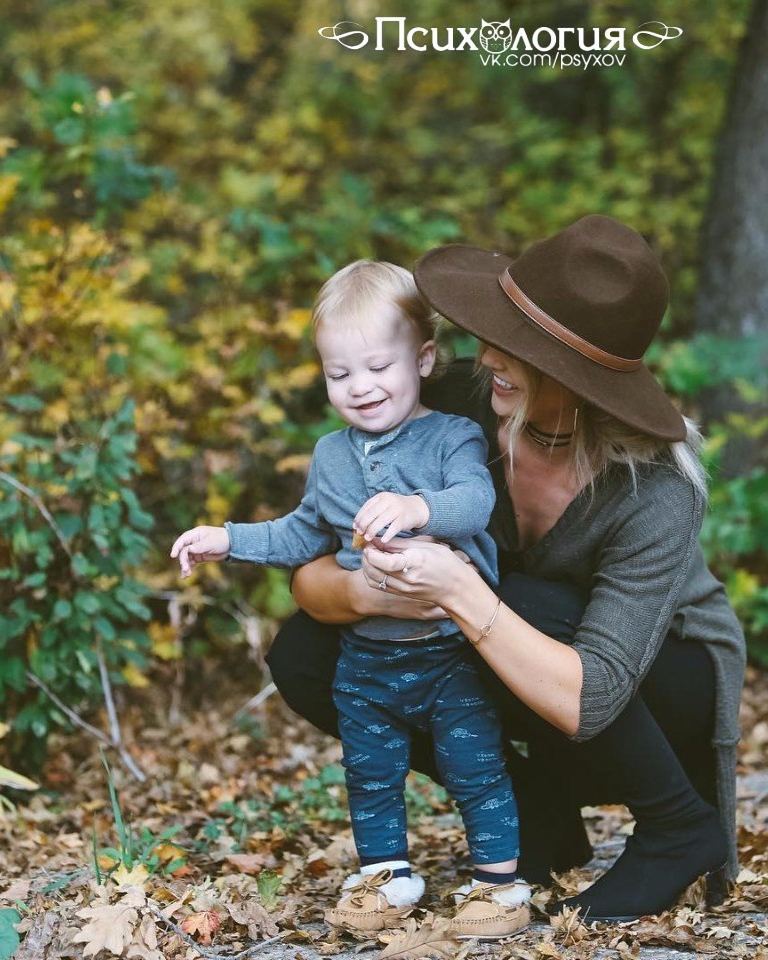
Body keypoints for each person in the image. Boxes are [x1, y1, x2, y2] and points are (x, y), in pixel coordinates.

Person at [266, 215, 748, 923]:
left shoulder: (655, 488)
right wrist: (369, 593)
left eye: (517, 348)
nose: (488, 354)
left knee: (522, 597)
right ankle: (536, 814)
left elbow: (592, 697)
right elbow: (308, 575)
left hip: (656, 682)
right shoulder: (455, 407)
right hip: (519, 651)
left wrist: (459, 591)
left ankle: (675, 824)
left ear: (577, 380)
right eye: (495, 331)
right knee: (307, 653)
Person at [169, 261, 532, 938]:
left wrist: (418, 507)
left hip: (449, 653)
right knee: (370, 774)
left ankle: (499, 886)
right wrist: (229, 539)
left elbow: (475, 502)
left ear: (423, 360)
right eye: (340, 374)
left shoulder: (452, 436)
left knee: (475, 767)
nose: (360, 387)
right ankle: (386, 878)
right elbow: (302, 531)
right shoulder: (332, 455)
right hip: (367, 660)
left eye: (378, 367)